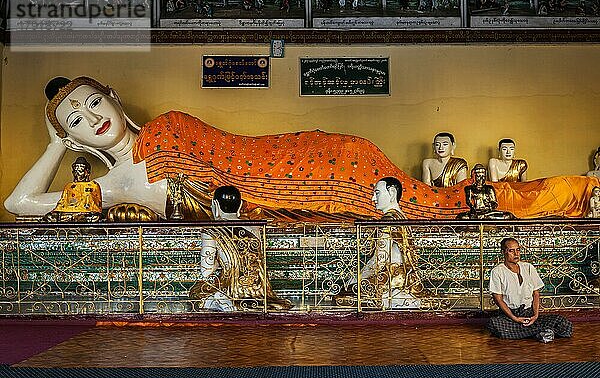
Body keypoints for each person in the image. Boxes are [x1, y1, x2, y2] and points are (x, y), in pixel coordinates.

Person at [4, 76, 600, 222]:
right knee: (435, 205)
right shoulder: (105, 188)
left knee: (434, 205)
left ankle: (574, 191)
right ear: (72, 135)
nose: (91, 118)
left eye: (91, 101)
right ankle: (567, 192)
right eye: (73, 121)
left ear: (112, 96)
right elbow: (19, 202)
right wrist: (52, 147)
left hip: (319, 164)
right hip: (292, 207)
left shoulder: (168, 130)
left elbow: (235, 165)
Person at [189, 186, 292, 311]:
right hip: (258, 289)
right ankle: (234, 303)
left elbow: (206, 271)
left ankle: (226, 300)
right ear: (240, 206)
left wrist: (218, 262)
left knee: (196, 294)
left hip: (231, 288)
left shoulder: (212, 230)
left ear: (215, 205)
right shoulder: (255, 227)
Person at [335, 177, 427, 309]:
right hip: (405, 276)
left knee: (345, 295)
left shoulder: (389, 220)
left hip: (391, 278)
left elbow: (380, 259)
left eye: (377, 193)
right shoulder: (400, 216)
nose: (373, 199)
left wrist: (358, 278)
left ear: (392, 193)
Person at [486, 238, 573, 342]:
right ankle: (540, 332)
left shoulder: (528, 267)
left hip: (529, 314)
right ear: (503, 252)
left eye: (518, 250)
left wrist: (535, 316)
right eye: (511, 250)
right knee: (494, 324)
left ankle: (530, 332)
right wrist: (515, 318)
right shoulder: (497, 272)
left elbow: (536, 293)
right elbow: (498, 300)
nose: (516, 254)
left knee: (563, 322)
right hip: (510, 316)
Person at [43, 156, 102, 222]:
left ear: (86, 172)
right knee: (49, 217)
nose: (78, 174)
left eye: (80, 171)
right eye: (76, 171)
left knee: (95, 217)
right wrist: (56, 211)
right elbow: (62, 202)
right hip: (68, 211)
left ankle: (78, 218)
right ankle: (76, 218)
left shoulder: (93, 185)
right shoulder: (69, 186)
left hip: (86, 212)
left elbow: (97, 205)